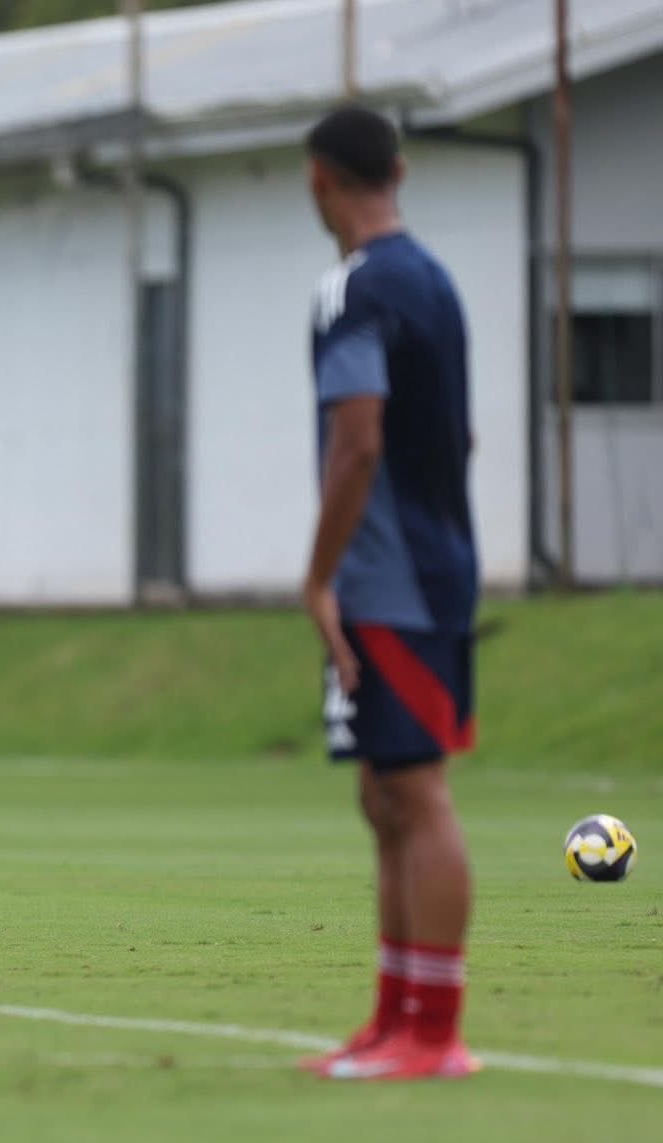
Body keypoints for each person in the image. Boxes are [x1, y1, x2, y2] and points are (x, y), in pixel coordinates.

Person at [297, 106, 480, 1080]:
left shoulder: (354, 288)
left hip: (389, 577)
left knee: (412, 790)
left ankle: (433, 1033)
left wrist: (320, 573)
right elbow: (457, 435)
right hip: (431, 562)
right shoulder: (434, 282)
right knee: (383, 795)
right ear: (397, 172)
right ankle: (393, 1019)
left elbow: (357, 438)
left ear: (317, 179)